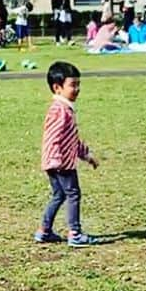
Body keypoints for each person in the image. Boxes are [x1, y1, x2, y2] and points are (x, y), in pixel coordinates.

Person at [35, 60, 99, 248]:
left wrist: (87, 156)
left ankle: (44, 231)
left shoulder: (65, 109)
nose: (77, 89)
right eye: (73, 85)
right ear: (57, 88)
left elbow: (72, 139)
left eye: (79, 84)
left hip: (56, 161)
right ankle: (75, 233)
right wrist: (56, 159)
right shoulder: (60, 111)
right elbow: (53, 137)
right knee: (73, 194)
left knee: (59, 195)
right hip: (61, 163)